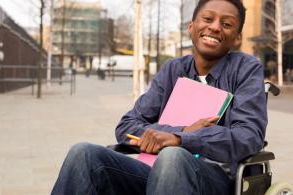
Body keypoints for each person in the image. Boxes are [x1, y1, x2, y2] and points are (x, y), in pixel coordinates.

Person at [51, 0, 267, 194]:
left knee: (172, 157)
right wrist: (179, 132)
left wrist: (183, 140)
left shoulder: (246, 69)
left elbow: (249, 135)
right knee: (84, 154)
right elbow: (126, 126)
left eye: (227, 24)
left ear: (237, 38)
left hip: (215, 179)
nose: (215, 27)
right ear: (191, 27)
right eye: (208, 19)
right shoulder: (173, 69)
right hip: (156, 171)